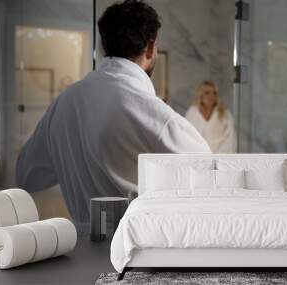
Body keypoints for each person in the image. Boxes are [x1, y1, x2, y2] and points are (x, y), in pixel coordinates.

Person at [16, 0, 210, 225]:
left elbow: (26, 176)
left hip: (81, 251)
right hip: (142, 251)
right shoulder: (157, 117)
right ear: (150, 47)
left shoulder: (64, 103)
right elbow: (212, 179)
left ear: (104, 45)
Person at [185, 81, 236, 153]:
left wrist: (220, 158)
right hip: (197, 156)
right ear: (201, 95)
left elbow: (230, 138)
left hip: (220, 156)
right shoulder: (192, 112)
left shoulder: (225, 113)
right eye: (207, 93)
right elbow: (187, 136)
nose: (211, 96)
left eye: (214, 93)